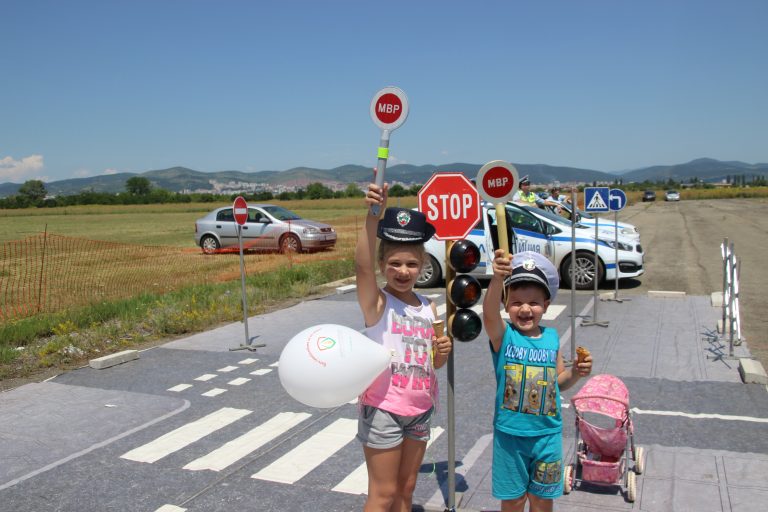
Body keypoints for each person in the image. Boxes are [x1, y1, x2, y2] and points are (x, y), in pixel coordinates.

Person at [355, 182, 453, 512]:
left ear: (423, 264)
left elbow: (434, 364)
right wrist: (372, 217)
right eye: (395, 263)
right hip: (384, 409)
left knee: (406, 491)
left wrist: (441, 352)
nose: (403, 271)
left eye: (411, 264)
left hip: (420, 409)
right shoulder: (377, 303)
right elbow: (362, 267)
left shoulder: (428, 307)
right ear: (383, 264)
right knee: (383, 494)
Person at [482, 250, 593, 512]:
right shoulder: (504, 336)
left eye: (533, 302)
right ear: (506, 305)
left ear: (546, 303)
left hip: (547, 436)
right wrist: (497, 280)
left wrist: (576, 372)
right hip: (510, 436)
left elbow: (559, 381)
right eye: (516, 302)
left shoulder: (552, 338)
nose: (524, 308)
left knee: (542, 500)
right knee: (513, 500)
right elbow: (488, 315)